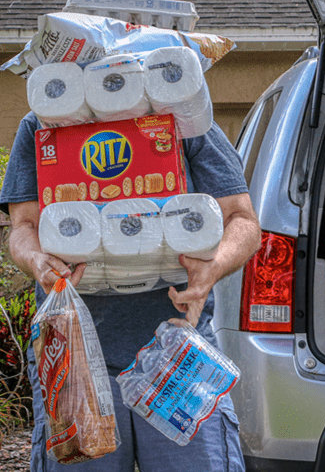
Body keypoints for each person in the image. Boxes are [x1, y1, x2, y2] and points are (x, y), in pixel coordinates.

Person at [0, 111, 261, 472]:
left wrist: (213, 268)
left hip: (177, 353)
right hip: (73, 354)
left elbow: (242, 219)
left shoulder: (180, 109)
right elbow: (23, 225)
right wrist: (36, 259)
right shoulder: (46, 121)